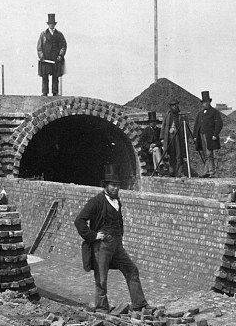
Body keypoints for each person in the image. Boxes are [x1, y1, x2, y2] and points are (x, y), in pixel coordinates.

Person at [74, 164, 149, 312]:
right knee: (101, 279)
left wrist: (119, 237)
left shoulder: (117, 201)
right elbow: (79, 221)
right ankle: (102, 308)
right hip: (101, 246)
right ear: (105, 186)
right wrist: (93, 235)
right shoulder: (96, 201)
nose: (115, 188)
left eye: (117, 185)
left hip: (117, 245)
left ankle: (139, 304)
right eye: (112, 185)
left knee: (131, 270)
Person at [193, 90, 224, 177]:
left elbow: (219, 124)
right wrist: (195, 136)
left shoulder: (214, 112)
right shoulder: (200, 113)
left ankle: (211, 172)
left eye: (206, 102)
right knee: (206, 154)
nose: (205, 104)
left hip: (210, 137)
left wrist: (215, 134)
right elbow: (196, 125)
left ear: (209, 102)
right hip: (201, 136)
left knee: (209, 154)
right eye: (203, 102)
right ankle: (206, 172)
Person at [37, 13, 66, 96]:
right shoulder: (43, 34)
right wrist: (41, 56)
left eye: (53, 24)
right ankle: (44, 93)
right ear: (48, 24)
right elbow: (39, 47)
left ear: (55, 24)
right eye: (50, 24)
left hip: (55, 59)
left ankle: (55, 93)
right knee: (45, 76)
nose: (51, 25)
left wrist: (60, 55)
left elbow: (63, 46)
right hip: (45, 59)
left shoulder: (59, 34)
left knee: (55, 77)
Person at [160, 101, 190, 177]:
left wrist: (185, 137)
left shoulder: (180, 116)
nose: (174, 107)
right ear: (170, 106)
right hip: (169, 138)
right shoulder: (167, 116)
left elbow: (186, 126)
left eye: (175, 105)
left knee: (179, 154)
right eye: (173, 105)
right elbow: (163, 126)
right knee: (171, 154)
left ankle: (179, 172)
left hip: (178, 138)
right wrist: (162, 138)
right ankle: (172, 171)